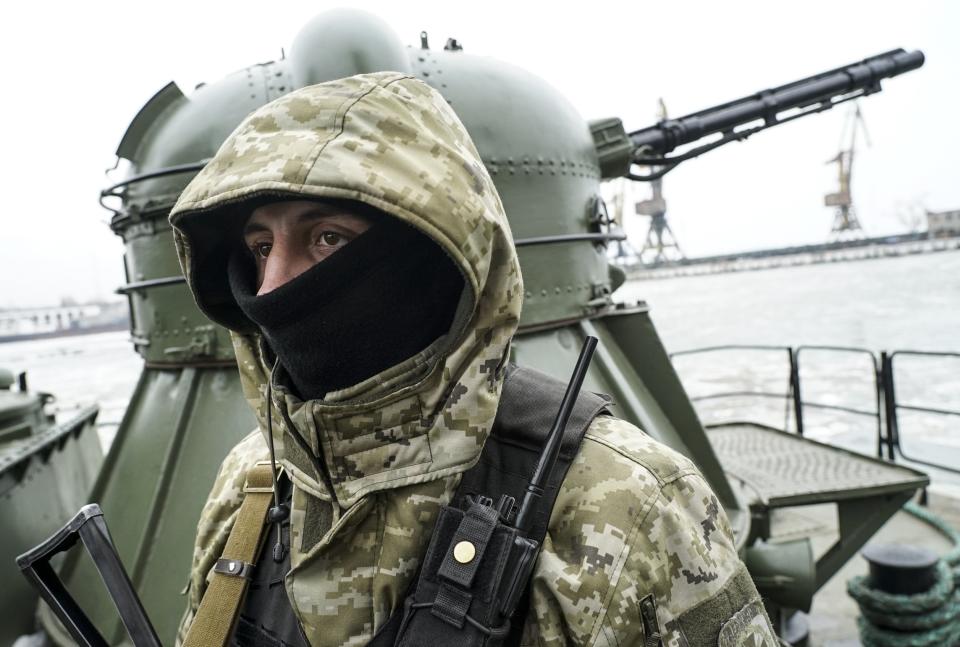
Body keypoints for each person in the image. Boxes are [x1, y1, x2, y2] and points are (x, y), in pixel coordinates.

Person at [169, 71, 779, 647]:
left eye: (327, 238)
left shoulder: (628, 501)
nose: (272, 289)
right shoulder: (253, 480)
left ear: (435, 253)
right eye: (258, 247)